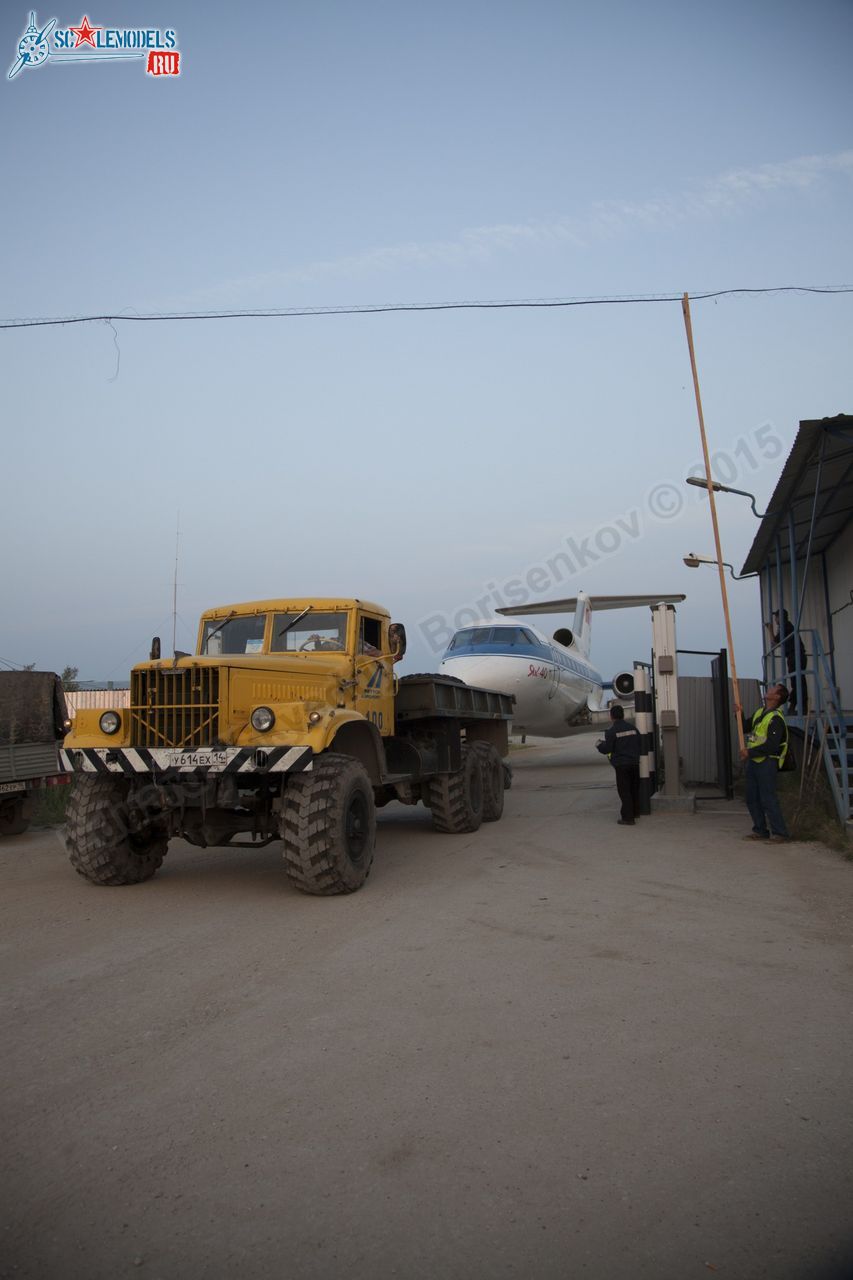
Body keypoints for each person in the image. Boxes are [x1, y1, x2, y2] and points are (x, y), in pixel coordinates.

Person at [740, 682, 790, 843]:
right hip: (754, 762)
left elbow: (772, 745)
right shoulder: (760, 712)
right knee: (752, 797)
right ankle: (760, 830)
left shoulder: (776, 719)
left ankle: (780, 833)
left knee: (768, 798)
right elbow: (746, 727)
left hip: (767, 762)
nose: (769, 690)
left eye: (773, 689)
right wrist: (739, 714)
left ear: (777, 697)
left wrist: (750, 752)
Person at [596, 704, 641, 825]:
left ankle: (628, 818)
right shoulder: (633, 728)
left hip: (622, 765)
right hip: (635, 763)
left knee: (624, 791)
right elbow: (640, 743)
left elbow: (608, 749)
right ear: (623, 715)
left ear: (611, 716)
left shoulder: (611, 732)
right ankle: (636, 812)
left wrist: (599, 745)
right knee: (634, 789)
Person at [765, 608, 808, 715]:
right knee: (799, 681)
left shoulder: (785, 626)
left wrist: (770, 629)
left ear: (780, 617)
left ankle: (796, 707)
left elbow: (774, 642)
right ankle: (798, 707)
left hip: (795, 656)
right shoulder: (786, 626)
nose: (775, 619)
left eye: (776, 617)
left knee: (797, 682)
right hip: (796, 656)